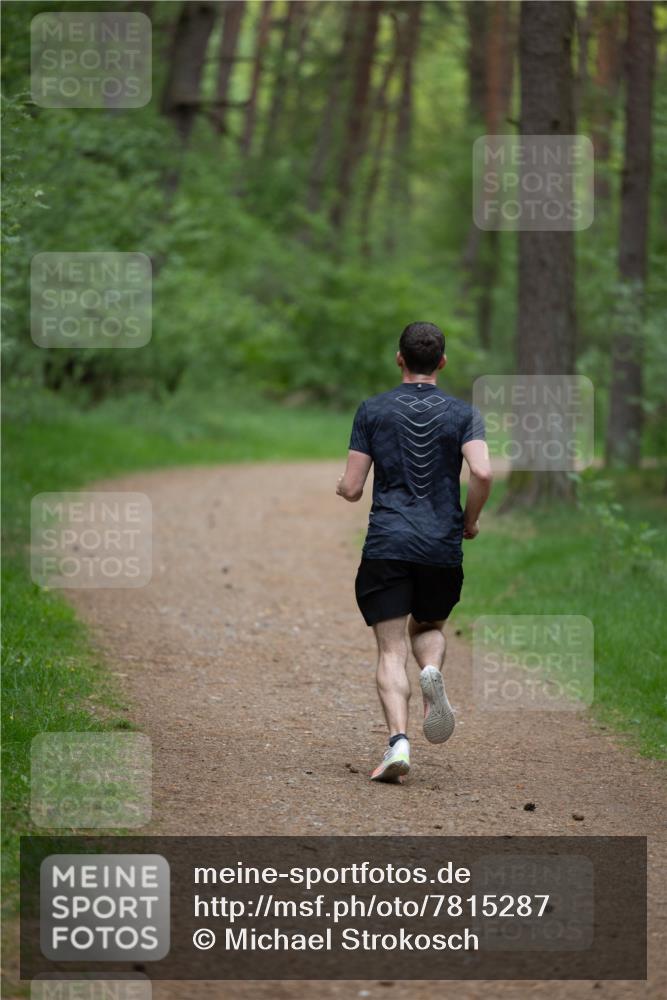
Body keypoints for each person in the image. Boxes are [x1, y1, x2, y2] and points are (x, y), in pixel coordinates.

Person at [336, 322, 492, 783]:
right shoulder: (464, 414)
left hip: (388, 543)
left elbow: (352, 487)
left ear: (399, 359)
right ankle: (431, 672)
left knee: (390, 649)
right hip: (440, 546)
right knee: (428, 626)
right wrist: (470, 520)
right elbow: (483, 472)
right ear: (442, 362)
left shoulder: (373, 410)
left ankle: (398, 743)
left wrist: (342, 487)